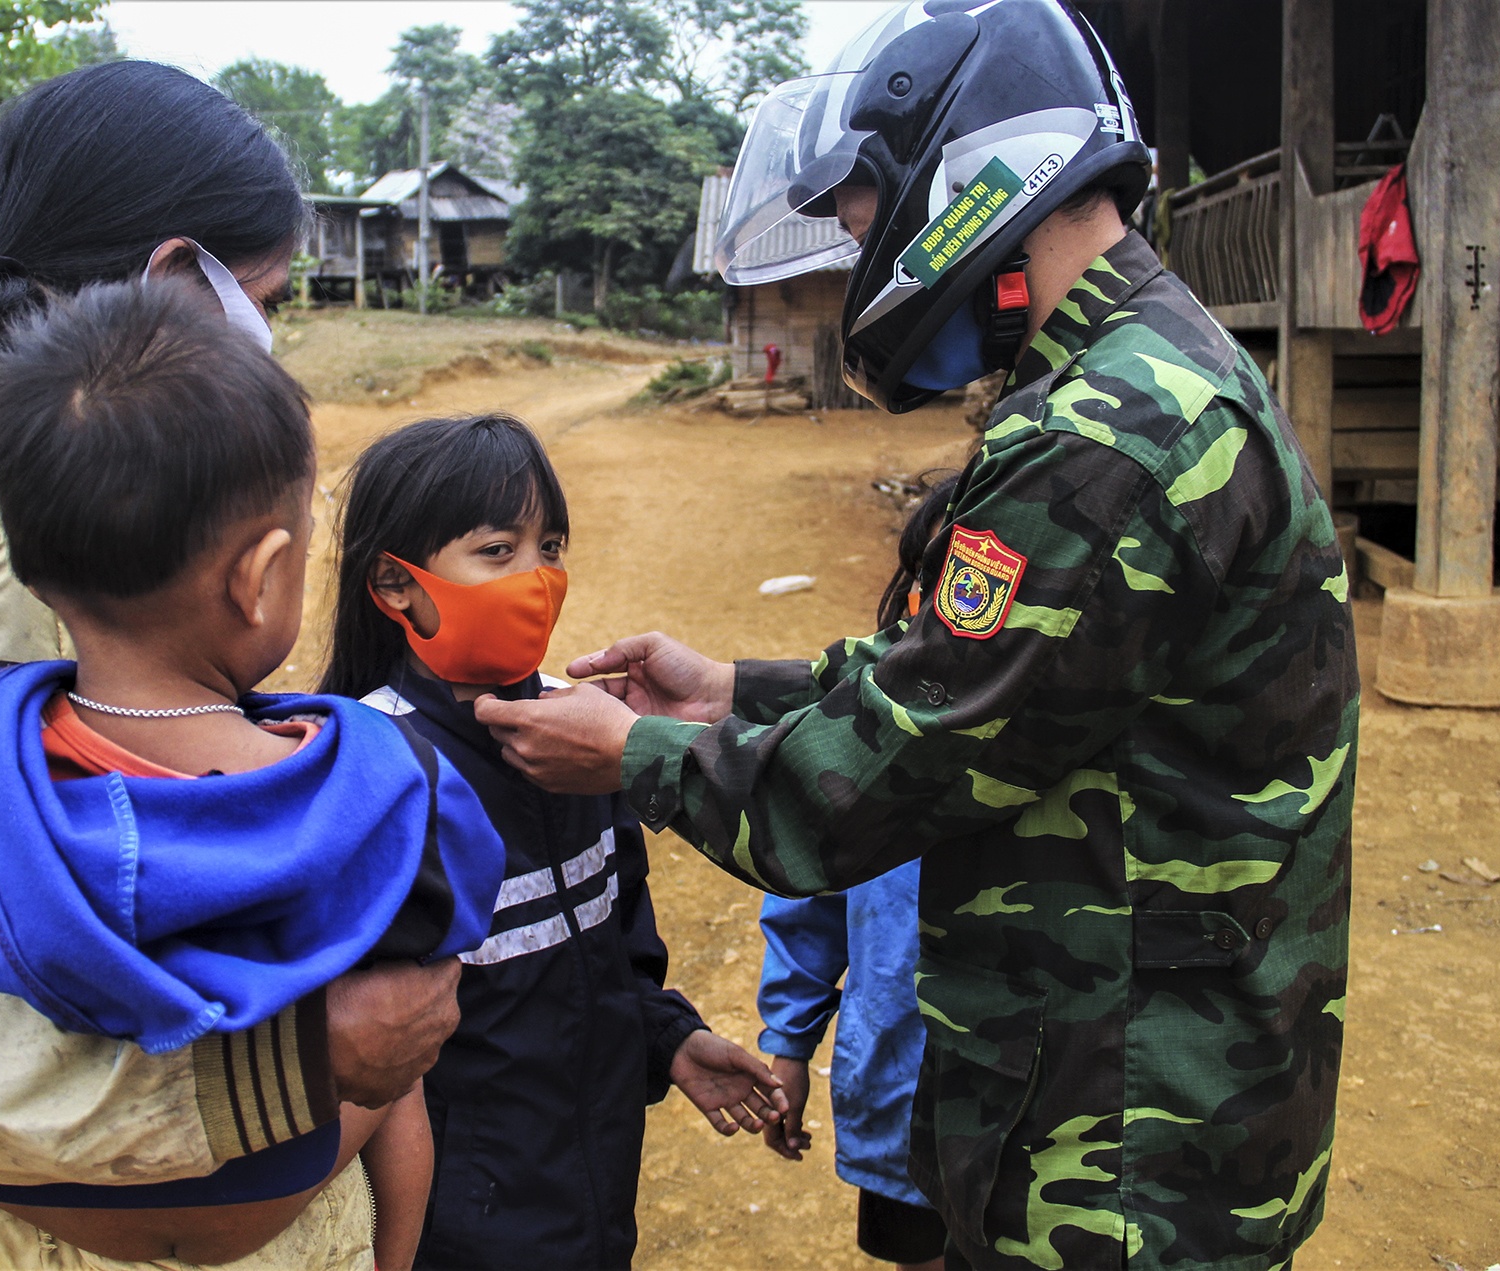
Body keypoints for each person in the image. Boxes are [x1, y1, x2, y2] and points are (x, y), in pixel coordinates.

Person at [476, 3, 1356, 1268]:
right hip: (1115, 1080)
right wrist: (734, 690)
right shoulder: (1123, 371)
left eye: (856, 223)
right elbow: (969, 675)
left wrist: (639, 755)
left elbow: (890, 776)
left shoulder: (1106, 437)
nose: (858, 256)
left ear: (966, 181)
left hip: (1126, 1147)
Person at [0, 61, 462, 1269]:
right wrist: (294, 1078)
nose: (272, 342)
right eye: (266, 298)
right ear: (170, 286)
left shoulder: (118, 503)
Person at [319, 414, 789, 1269]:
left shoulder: (584, 739)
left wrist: (667, 1036)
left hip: (594, 1196)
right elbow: (364, 1052)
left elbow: (613, 938)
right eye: (497, 550)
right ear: (394, 583)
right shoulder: (372, 772)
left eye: (551, 547)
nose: (537, 578)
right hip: (459, 1229)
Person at [755, 480, 958, 1271]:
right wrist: (787, 1041)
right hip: (899, 1090)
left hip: (1039, 1109)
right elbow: (811, 892)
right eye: (938, 576)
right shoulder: (862, 729)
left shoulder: (1066, 734)